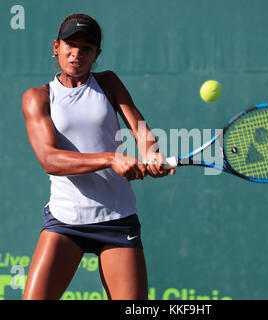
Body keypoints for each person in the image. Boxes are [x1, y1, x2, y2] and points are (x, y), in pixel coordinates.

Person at [21, 13, 174, 300]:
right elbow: (49, 160)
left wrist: (152, 154)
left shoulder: (108, 83)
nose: (76, 53)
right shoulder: (38, 97)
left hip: (117, 219)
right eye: (70, 44)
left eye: (86, 48)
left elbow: (141, 131)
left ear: (97, 54)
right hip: (65, 220)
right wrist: (110, 159)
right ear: (56, 46)